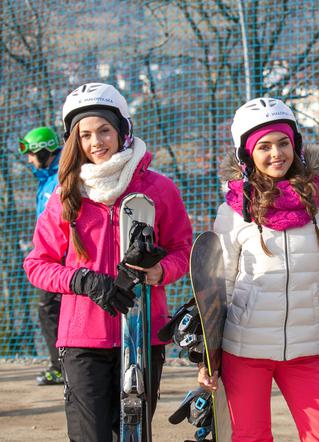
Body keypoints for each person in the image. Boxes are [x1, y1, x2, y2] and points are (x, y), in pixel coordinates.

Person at [23, 82, 193, 441]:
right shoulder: (66, 193)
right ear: (74, 140)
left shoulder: (158, 189)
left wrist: (159, 270)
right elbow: (38, 264)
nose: (96, 142)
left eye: (104, 130)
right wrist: (83, 281)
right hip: (83, 338)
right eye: (85, 135)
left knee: (134, 435)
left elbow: (184, 249)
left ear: (122, 131)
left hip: (143, 334)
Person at [197, 97, 319, 441]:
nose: (277, 153)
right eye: (264, 146)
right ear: (247, 156)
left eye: (284, 142)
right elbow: (219, 291)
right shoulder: (232, 213)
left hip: (303, 353)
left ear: (296, 145)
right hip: (244, 352)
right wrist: (208, 356)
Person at [19, 126, 64, 386]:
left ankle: (61, 367)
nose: (28, 159)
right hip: (51, 258)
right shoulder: (47, 179)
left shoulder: (58, 178)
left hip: (61, 260)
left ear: (44, 152)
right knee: (49, 310)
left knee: (49, 310)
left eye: (30, 153)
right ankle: (61, 366)